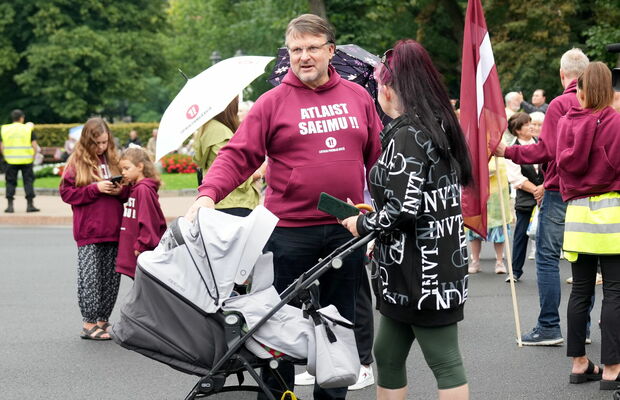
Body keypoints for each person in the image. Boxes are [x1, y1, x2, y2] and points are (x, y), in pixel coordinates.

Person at [185, 14, 382, 400]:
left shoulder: (359, 98)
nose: (304, 57)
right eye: (296, 49)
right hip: (286, 233)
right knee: (276, 330)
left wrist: (381, 215)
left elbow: (378, 161)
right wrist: (207, 195)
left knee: (339, 327)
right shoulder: (271, 103)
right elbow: (237, 156)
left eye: (312, 48)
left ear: (330, 51)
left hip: (347, 231)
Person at [340, 39, 472, 400]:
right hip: (416, 269)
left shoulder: (408, 134)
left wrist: (361, 225)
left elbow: (402, 210)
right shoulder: (434, 124)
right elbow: (412, 199)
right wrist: (377, 213)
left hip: (422, 273)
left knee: (444, 362)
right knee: (387, 354)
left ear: (386, 90)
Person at [495, 47, 589, 345]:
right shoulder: (599, 102)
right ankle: (582, 328)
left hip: (559, 189)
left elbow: (545, 150)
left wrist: (507, 151)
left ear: (563, 74)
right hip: (592, 192)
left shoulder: (560, 104)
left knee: (547, 257)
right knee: (584, 260)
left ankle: (549, 325)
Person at [556, 61, 620, 389]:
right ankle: (612, 369)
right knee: (614, 291)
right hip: (612, 215)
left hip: (577, 215)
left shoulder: (566, 123)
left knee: (580, 290)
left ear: (580, 90)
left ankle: (579, 364)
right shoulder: (615, 121)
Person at [59, 117, 126, 340]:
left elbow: (128, 191)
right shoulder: (76, 162)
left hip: (113, 227)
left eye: (105, 142)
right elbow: (67, 194)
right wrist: (95, 188)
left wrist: (119, 191)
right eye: (96, 143)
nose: (101, 147)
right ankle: (88, 323)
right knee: (91, 279)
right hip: (89, 230)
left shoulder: (113, 159)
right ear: (88, 141)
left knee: (110, 279)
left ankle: (102, 321)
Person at [192, 97, 261, 217]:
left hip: (223, 202)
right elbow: (233, 171)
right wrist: (262, 172)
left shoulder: (207, 128)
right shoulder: (221, 132)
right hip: (234, 202)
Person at [115, 147, 166, 279]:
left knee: (144, 291)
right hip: (137, 251)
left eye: (127, 168)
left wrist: (142, 245)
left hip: (141, 252)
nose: (123, 173)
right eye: (122, 169)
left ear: (140, 167)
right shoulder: (137, 188)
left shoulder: (143, 190)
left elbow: (149, 220)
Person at [504, 112, 544, 282]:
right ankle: (515, 271)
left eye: (533, 124)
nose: (532, 127)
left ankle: (546, 269)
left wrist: (544, 189)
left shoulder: (541, 144)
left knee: (547, 234)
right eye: (528, 124)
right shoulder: (512, 149)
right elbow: (516, 178)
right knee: (521, 234)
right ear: (519, 130)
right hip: (526, 197)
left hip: (546, 194)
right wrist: (537, 191)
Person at [466, 156, 512, 275]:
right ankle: (475, 261)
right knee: (475, 228)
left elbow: (503, 164)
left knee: (499, 229)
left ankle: (499, 261)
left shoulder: (498, 140)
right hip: (478, 192)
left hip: (497, 194)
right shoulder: (474, 141)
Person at [0, 109, 39, 213]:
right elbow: (34, 145)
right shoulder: (27, 129)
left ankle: (10, 206)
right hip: (26, 160)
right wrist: (33, 156)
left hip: (10, 161)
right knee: (28, 182)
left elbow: (2, 146)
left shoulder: (5, 129)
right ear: (22, 118)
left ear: (12, 118)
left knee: (10, 182)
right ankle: (30, 205)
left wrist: (6, 156)